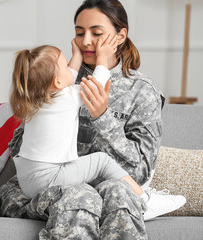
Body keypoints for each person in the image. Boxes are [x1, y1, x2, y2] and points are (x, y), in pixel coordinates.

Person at [2, 0, 186, 239]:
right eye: (79, 33)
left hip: (108, 190)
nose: (86, 41)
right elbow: (19, 150)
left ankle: (138, 201)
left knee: (113, 195)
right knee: (80, 197)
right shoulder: (55, 80)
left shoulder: (142, 92)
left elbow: (140, 171)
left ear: (120, 36)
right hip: (49, 191)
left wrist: (103, 117)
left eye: (96, 33)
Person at [10, 36, 156, 213]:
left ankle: (141, 197)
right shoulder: (68, 98)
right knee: (102, 161)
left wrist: (76, 55)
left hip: (26, 178)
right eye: (65, 65)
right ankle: (145, 200)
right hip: (48, 179)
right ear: (57, 82)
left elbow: (67, 76)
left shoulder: (35, 100)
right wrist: (103, 56)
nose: (70, 69)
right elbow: (97, 84)